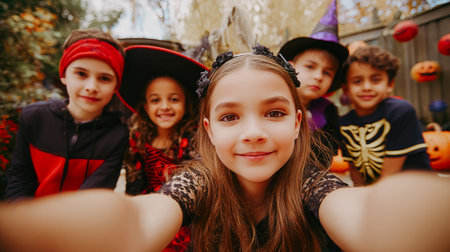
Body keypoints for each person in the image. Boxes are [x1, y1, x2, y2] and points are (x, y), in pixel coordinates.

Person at [0, 45, 449, 252]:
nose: (252, 132)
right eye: (231, 117)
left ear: (297, 124)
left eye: (273, 113)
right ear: (210, 131)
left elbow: (361, 214)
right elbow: (139, 218)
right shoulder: (197, 182)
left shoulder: (314, 184)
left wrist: (403, 217)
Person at [5, 29, 129, 200]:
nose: (91, 86)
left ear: (116, 87)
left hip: (78, 223)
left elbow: (94, 196)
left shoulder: (117, 135)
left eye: (104, 78)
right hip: (28, 220)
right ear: (64, 75)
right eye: (81, 74)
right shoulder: (34, 117)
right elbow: (20, 176)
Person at [117, 45, 208, 251]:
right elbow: (134, 186)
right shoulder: (138, 139)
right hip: (148, 212)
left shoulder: (192, 140)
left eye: (174, 99)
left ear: (186, 104)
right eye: (155, 100)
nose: (165, 106)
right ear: (146, 106)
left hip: (186, 218)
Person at [338, 45, 432, 186]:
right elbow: (354, 169)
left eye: (375, 80)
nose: (367, 87)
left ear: (390, 84)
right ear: (346, 89)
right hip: (374, 193)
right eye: (357, 81)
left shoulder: (400, 111)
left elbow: (390, 175)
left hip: (417, 191)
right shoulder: (343, 123)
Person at [278, 37, 348, 160]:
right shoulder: (273, 106)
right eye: (310, 67)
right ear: (290, 67)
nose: (318, 77)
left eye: (327, 73)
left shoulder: (328, 112)